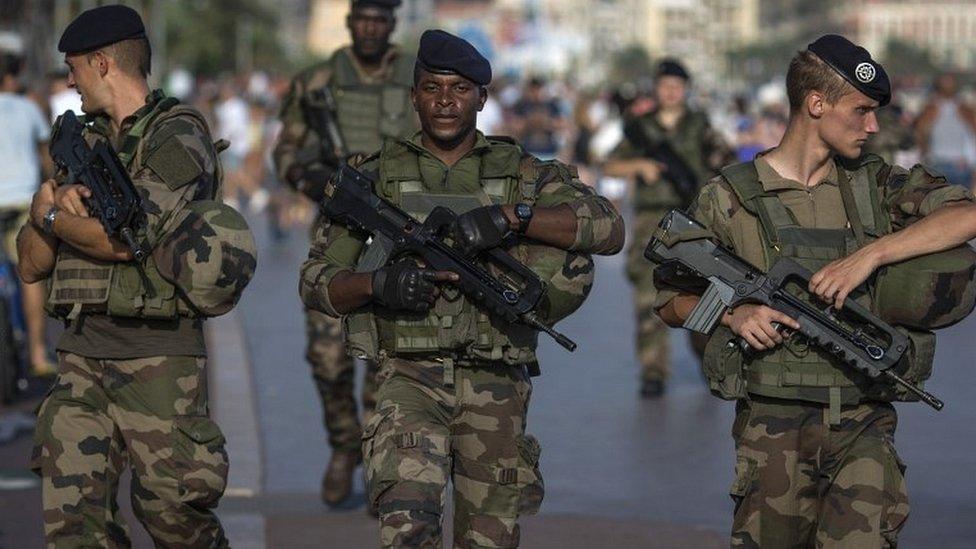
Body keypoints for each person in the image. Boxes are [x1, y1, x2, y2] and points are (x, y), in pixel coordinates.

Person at [299, 30, 624, 546]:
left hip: (496, 382)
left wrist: (512, 218)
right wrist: (377, 283)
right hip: (406, 377)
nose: (445, 101)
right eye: (432, 88)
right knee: (408, 529)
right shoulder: (376, 178)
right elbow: (316, 282)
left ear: (482, 98)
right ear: (414, 96)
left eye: (459, 89)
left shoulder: (524, 175)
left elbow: (608, 228)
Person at [652, 35, 976, 547]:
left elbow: (967, 215)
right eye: (862, 110)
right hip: (771, 427)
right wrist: (733, 317)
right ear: (816, 104)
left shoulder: (878, 185)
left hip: (863, 422)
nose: (873, 126)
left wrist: (871, 254)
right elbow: (670, 301)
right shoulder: (730, 195)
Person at [17, 5, 242, 546]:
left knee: (175, 519)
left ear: (100, 63)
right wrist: (50, 211)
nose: (67, 80)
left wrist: (52, 216)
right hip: (81, 357)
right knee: (73, 526)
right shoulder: (80, 141)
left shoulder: (179, 136)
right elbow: (30, 264)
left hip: (159, 360)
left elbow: (125, 243)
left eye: (72, 67)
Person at [274, 0, 419, 507]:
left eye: (381, 20)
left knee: (388, 362)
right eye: (363, 19)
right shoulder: (318, 82)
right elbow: (287, 152)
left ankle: (379, 463)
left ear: (392, 24)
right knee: (327, 356)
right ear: (350, 21)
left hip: (400, 238)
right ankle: (342, 446)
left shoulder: (421, 79)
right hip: (335, 237)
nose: (371, 29)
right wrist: (314, 180)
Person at [603, 58, 735, 398]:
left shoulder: (700, 124)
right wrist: (640, 165)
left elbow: (727, 159)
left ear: (686, 89)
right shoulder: (640, 127)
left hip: (694, 220)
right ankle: (653, 370)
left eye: (677, 86)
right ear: (657, 88)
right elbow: (611, 164)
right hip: (652, 221)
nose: (671, 92)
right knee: (648, 295)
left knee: (705, 292)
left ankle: (710, 360)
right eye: (665, 85)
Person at [1, 52, 56, 379]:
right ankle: (37, 353)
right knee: (29, 273)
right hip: (22, 200)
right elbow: (47, 158)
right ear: (14, 76)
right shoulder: (28, 108)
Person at [914, 72, 976, 189]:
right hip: (938, 163)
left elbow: (973, 134)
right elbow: (921, 134)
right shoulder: (930, 108)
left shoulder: (965, 109)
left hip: (959, 165)